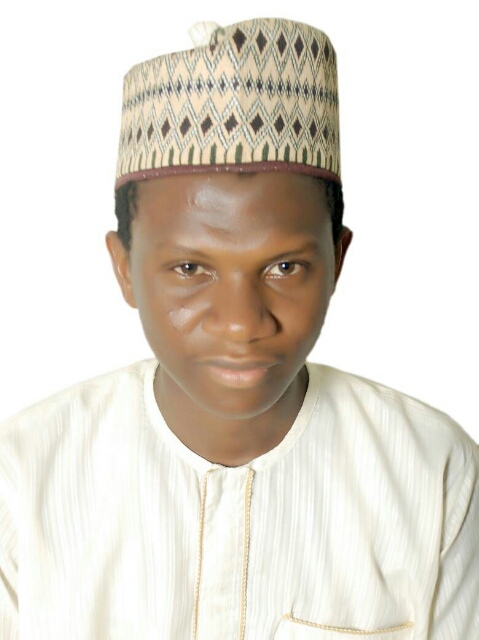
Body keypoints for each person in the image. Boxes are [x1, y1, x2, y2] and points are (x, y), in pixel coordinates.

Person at [0, 17, 477, 640]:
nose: (241, 322)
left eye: (284, 267)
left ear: (337, 262)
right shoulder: (23, 478)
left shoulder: (434, 471)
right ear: (124, 269)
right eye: (190, 269)